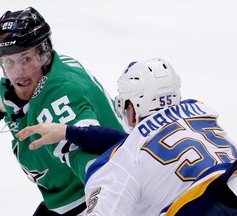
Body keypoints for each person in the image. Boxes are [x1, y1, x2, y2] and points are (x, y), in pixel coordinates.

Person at [0, 6, 127, 216]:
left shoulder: (60, 99)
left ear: (44, 54)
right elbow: (12, 98)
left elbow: (82, 153)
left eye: (26, 59)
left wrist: (106, 203)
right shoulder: (31, 78)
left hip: (88, 198)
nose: (18, 71)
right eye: (9, 61)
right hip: (67, 194)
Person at [16, 58, 237, 215]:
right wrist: (68, 131)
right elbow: (134, 141)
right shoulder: (203, 112)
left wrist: (69, 133)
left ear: (132, 108)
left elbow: (130, 147)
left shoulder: (127, 159)